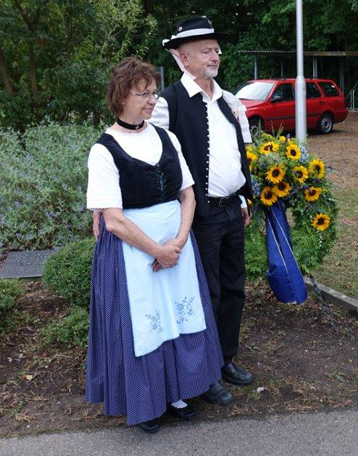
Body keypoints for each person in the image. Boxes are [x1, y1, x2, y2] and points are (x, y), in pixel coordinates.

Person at [85, 57, 223, 434]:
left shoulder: (167, 138)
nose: (151, 100)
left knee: (178, 317)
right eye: (142, 94)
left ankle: (178, 391)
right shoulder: (103, 150)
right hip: (133, 253)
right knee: (145, 325)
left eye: (152, 92)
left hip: (176, 245)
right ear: (120, 96)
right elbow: (113, 219)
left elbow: (188, 195)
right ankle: (146, 402)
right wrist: (157, 250)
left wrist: (178, 242)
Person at [150, 15, 255, 406]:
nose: (216, 55)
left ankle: (226, 357)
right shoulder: (168, 104)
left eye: (216, 49)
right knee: (204, 294)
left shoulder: (229, 101)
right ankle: (205, 371)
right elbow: (151, 156)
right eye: (206, 50)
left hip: (232, 211)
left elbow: (238, 156)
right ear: (183, 58)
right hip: (200, 216)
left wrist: (244, 197)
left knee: (233, 289)